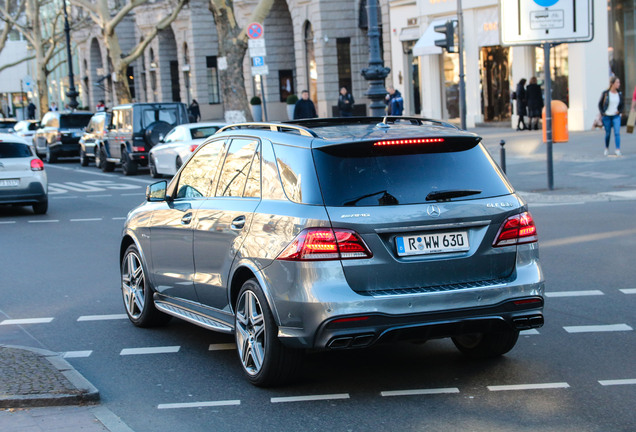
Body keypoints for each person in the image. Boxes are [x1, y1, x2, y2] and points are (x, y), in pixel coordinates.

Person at [598, 76, 624, 156]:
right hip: (607, 116)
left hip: (616, 116)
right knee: (608, 133)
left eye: (619, 82)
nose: (619, 84)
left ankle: (617, 149)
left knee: (617, 132)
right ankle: (606, 148)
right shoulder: (606, 93)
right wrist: (603, 113)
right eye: (617, 82)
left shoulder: (619, 93)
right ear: (612, 84)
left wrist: (619, 111)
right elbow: (600, 104)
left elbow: (622, 104)